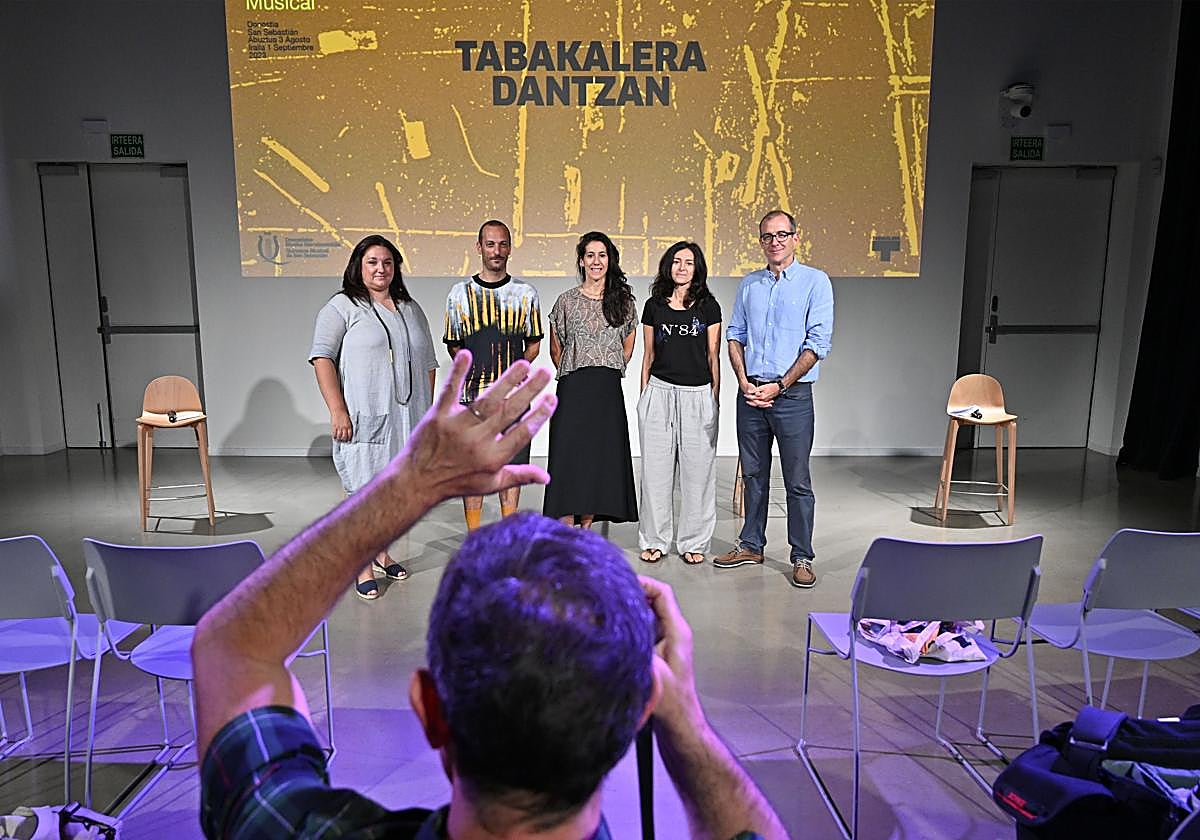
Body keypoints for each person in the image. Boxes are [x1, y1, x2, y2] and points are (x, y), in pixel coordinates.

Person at [192, 351, 788, 840]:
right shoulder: (656, 705)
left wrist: (411, 484)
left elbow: (231, 650)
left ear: (429, 709)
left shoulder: (297, 832)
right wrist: (681, 718)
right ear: (641, 710)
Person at [309, 234, 438, 600]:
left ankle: (381, 552)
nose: (380, 269)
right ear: (358, 266)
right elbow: (322, 359)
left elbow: (428, 363)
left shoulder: (410, 308)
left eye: (387, 262)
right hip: (365, 418)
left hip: (407, 420)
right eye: (372, 262)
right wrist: (338, 409)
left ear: (395, 267)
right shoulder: (342, 307)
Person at [715, 210, 834, 589]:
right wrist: (743, 380)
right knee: (753, 475)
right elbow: (735, 335)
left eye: (782, 235)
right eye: (768, 236)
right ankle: (751, 544)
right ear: (761, 241)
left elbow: (817, 344)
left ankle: (801, 556)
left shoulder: (816, 283)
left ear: (796, 238)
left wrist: (779, 386)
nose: (775, 242)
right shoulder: (750, 284)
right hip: (750, 394)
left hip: (792, 396)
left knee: (797, 480)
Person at [444, 219, 543, 530]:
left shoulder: (526, 293)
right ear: (479, 247)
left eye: (502, 244)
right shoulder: (459, 294)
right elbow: (455, 345)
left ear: (510, 248)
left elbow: (534, 344)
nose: (497, 250)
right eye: (490, 244)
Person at [543, 231, 638, 528]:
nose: (596, 261)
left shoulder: (622, 302)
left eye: (602, 255)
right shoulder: (566, 301)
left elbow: (628, 345)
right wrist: (578, 369)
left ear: (610, 260)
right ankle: (567, 523)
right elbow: (556, 347)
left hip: (606, 390)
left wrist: (604, 367)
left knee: (599, 457)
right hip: (573, 388)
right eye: (590, 255)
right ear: (582, 261)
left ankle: (587, 526)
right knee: (569, 455)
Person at [637, 241, 722, 565]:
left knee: (698, 474)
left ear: (697, 268)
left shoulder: (709, 307)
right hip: (659, 393)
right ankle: (655, 540)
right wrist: (644, 398)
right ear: (667, 266)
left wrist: (715, 400)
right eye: (676, 261)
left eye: (688, 262)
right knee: (655, 473)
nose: (682, 267)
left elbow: (713, 356)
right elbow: (648, 355)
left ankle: (694, 543)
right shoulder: (653, 306)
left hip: (698, 396)